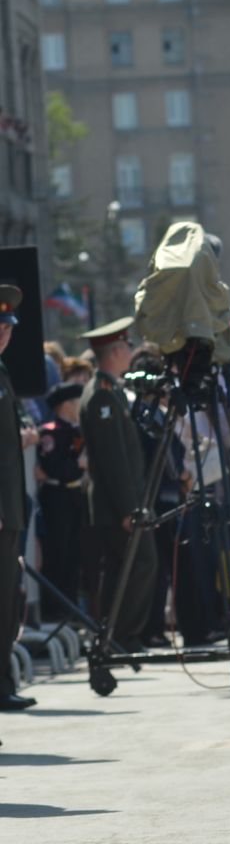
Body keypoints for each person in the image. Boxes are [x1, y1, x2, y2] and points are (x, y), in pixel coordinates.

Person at [80, 317, 157, 653]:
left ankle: (116, 635)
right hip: (118, 505)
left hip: (123, 501)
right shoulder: (101, 397)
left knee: (122, 568)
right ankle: (122, 635)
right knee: (139, 564)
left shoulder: (111, 392)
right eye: (126, 346)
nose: (130, 351)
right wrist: (130, 508)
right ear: (114, 352)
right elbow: (113, 461)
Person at [0, 286, 32, 711]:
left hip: (10, 507)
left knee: (7, 600)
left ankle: (3, 683)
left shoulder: (3, 371)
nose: (4, 334)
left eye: (8, 327)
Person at [33, 381, 86, 625]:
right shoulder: (51, 432)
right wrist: (78, 466)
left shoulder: (77, 431)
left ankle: (70, 609)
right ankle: (54, 610)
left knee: (74, 556)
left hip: (75, 496)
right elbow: (52, 467)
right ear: (66, 405)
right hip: (57, 498)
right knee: (58, 554)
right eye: (76, 402)